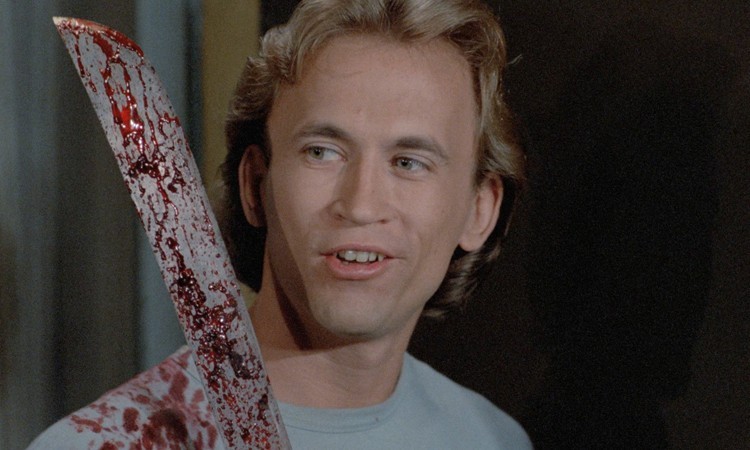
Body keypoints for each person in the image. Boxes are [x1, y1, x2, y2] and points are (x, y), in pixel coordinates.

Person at [29, 0, 531, 448]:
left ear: (479, 211)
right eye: (322, 152)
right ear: (255, 185)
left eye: (409, 162)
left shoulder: (491, 439)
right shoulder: (113, 442)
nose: (360, 205)